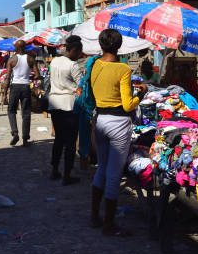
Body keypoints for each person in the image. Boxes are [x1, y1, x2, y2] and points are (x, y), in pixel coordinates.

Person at [89, 29, 146, 237]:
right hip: (119, 123)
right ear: (119, 46)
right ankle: (109, 224)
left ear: (101, 45)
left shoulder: (94, 65)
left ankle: (95, 216)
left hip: (100, 120)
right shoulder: (123, 69)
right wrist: (141, 94)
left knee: (101, 168)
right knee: (114, 174)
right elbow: (128, 104)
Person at [47, 35, 83, 185]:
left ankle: (55, 170)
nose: (80, 55)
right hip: (68, 104)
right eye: (79, 52)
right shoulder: (72, 65)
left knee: (59, 139)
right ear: (74, 50)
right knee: (70, 142)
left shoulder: (54, 61)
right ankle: (67, 175)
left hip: (54, 103)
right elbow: (80, 85)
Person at [2, 40, 40, 147]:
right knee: (26, 112)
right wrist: (29, 77)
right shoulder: (31, 58)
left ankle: (15, 133)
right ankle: (25, 139)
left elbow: (7, 78)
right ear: (24, 47)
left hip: (15, 87)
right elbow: (37, 75)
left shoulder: (12, 60)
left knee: (11, 110)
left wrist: (5, 94)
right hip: (26, 87)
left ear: (16, 48)